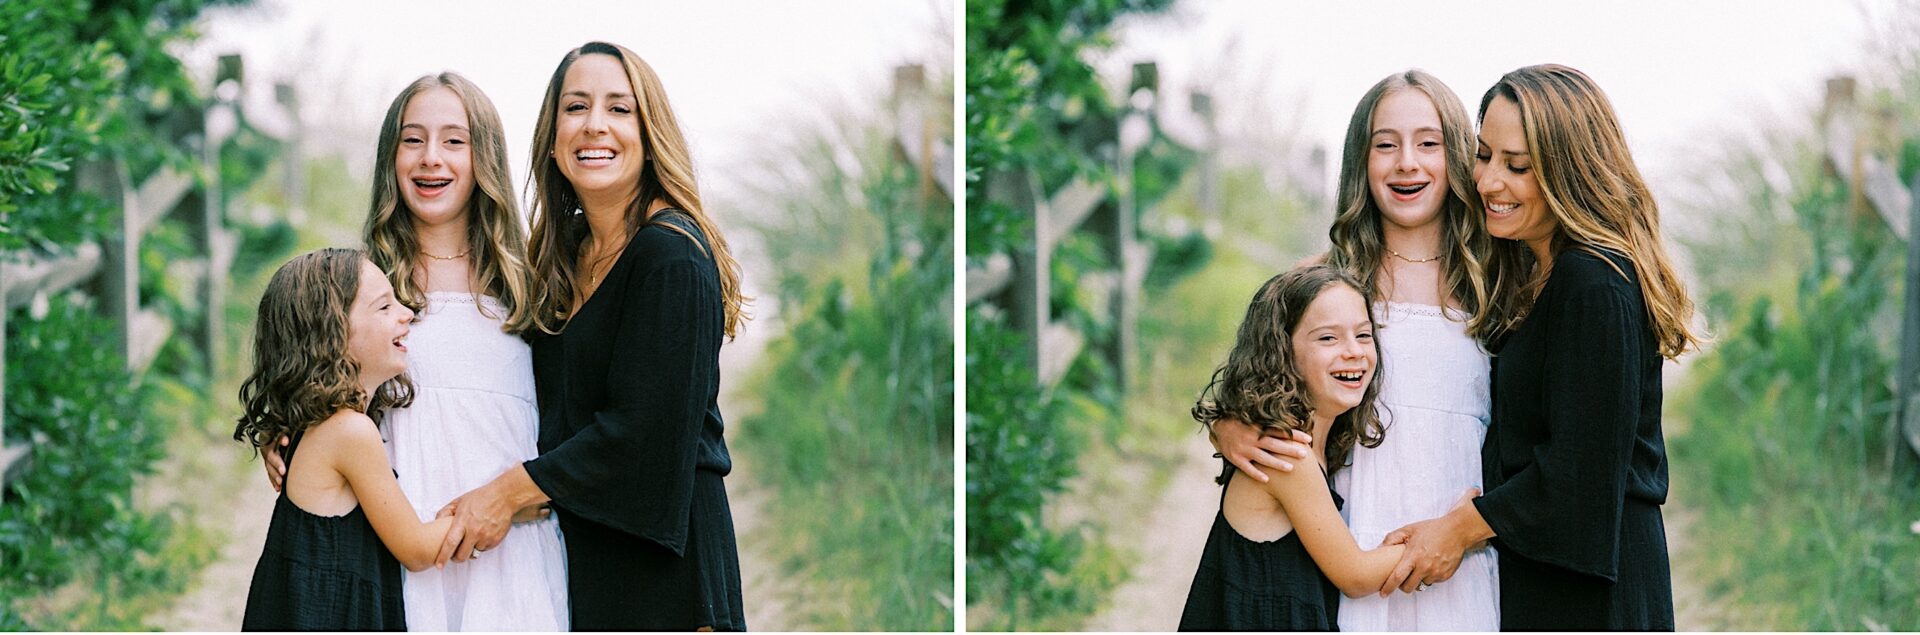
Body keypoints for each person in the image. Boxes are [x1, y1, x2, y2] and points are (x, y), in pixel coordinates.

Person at [433, 41, 749, 631]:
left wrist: (506, 494)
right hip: (588, 562)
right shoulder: (561, 259)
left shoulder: (671, 255)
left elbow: (642, 435)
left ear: (649, 132)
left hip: (667, 573)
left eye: (619, 109)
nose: (594, 125)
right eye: (576, 107)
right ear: (552, 140)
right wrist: (326, 423)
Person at [1377, 63, 1700, 631]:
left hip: (1593, 599)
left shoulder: (1593, 284)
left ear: (1569, 172)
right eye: (1483, 155)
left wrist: (1457, 530)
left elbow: (1578, 476)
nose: (1488, 182)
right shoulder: (1536, 273)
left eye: (1517, 166)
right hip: (1549, 579)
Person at [261, 73, 568, 631]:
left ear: (486, 158)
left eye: (455, 140)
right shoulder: (366, 284)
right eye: (412, 139)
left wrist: (527, 499)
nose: (432, 158)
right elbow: (313, 368)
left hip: (511, 545)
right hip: (402, 545)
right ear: (390, 155)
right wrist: (281, 431)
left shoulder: (531, 284)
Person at [1210, 69, 1500, 630]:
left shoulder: (1494, 284)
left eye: (1429, 143)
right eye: (1384, 145)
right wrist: (1231, 425)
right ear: (1360, 162)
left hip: (1459, 543)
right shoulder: (1327, 282)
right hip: (1351, 534)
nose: (1406, 162)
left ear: (1459, 157)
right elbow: (1259, 379)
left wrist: (1469, 530)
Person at [1180, 265, 1447, 631]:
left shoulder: (1316, 447)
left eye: (1363, 335)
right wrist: (1449, 536)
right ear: (1281, 352)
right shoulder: (1288, 455)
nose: (1353, 351)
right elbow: (1355, 575)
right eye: (1328, 339)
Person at [234, 248, 444, 631]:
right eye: (384, 308)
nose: (406, 313)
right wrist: (500, 507)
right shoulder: (350, 431)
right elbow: (418, 549)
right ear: (330, 335)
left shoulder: (317, 425)